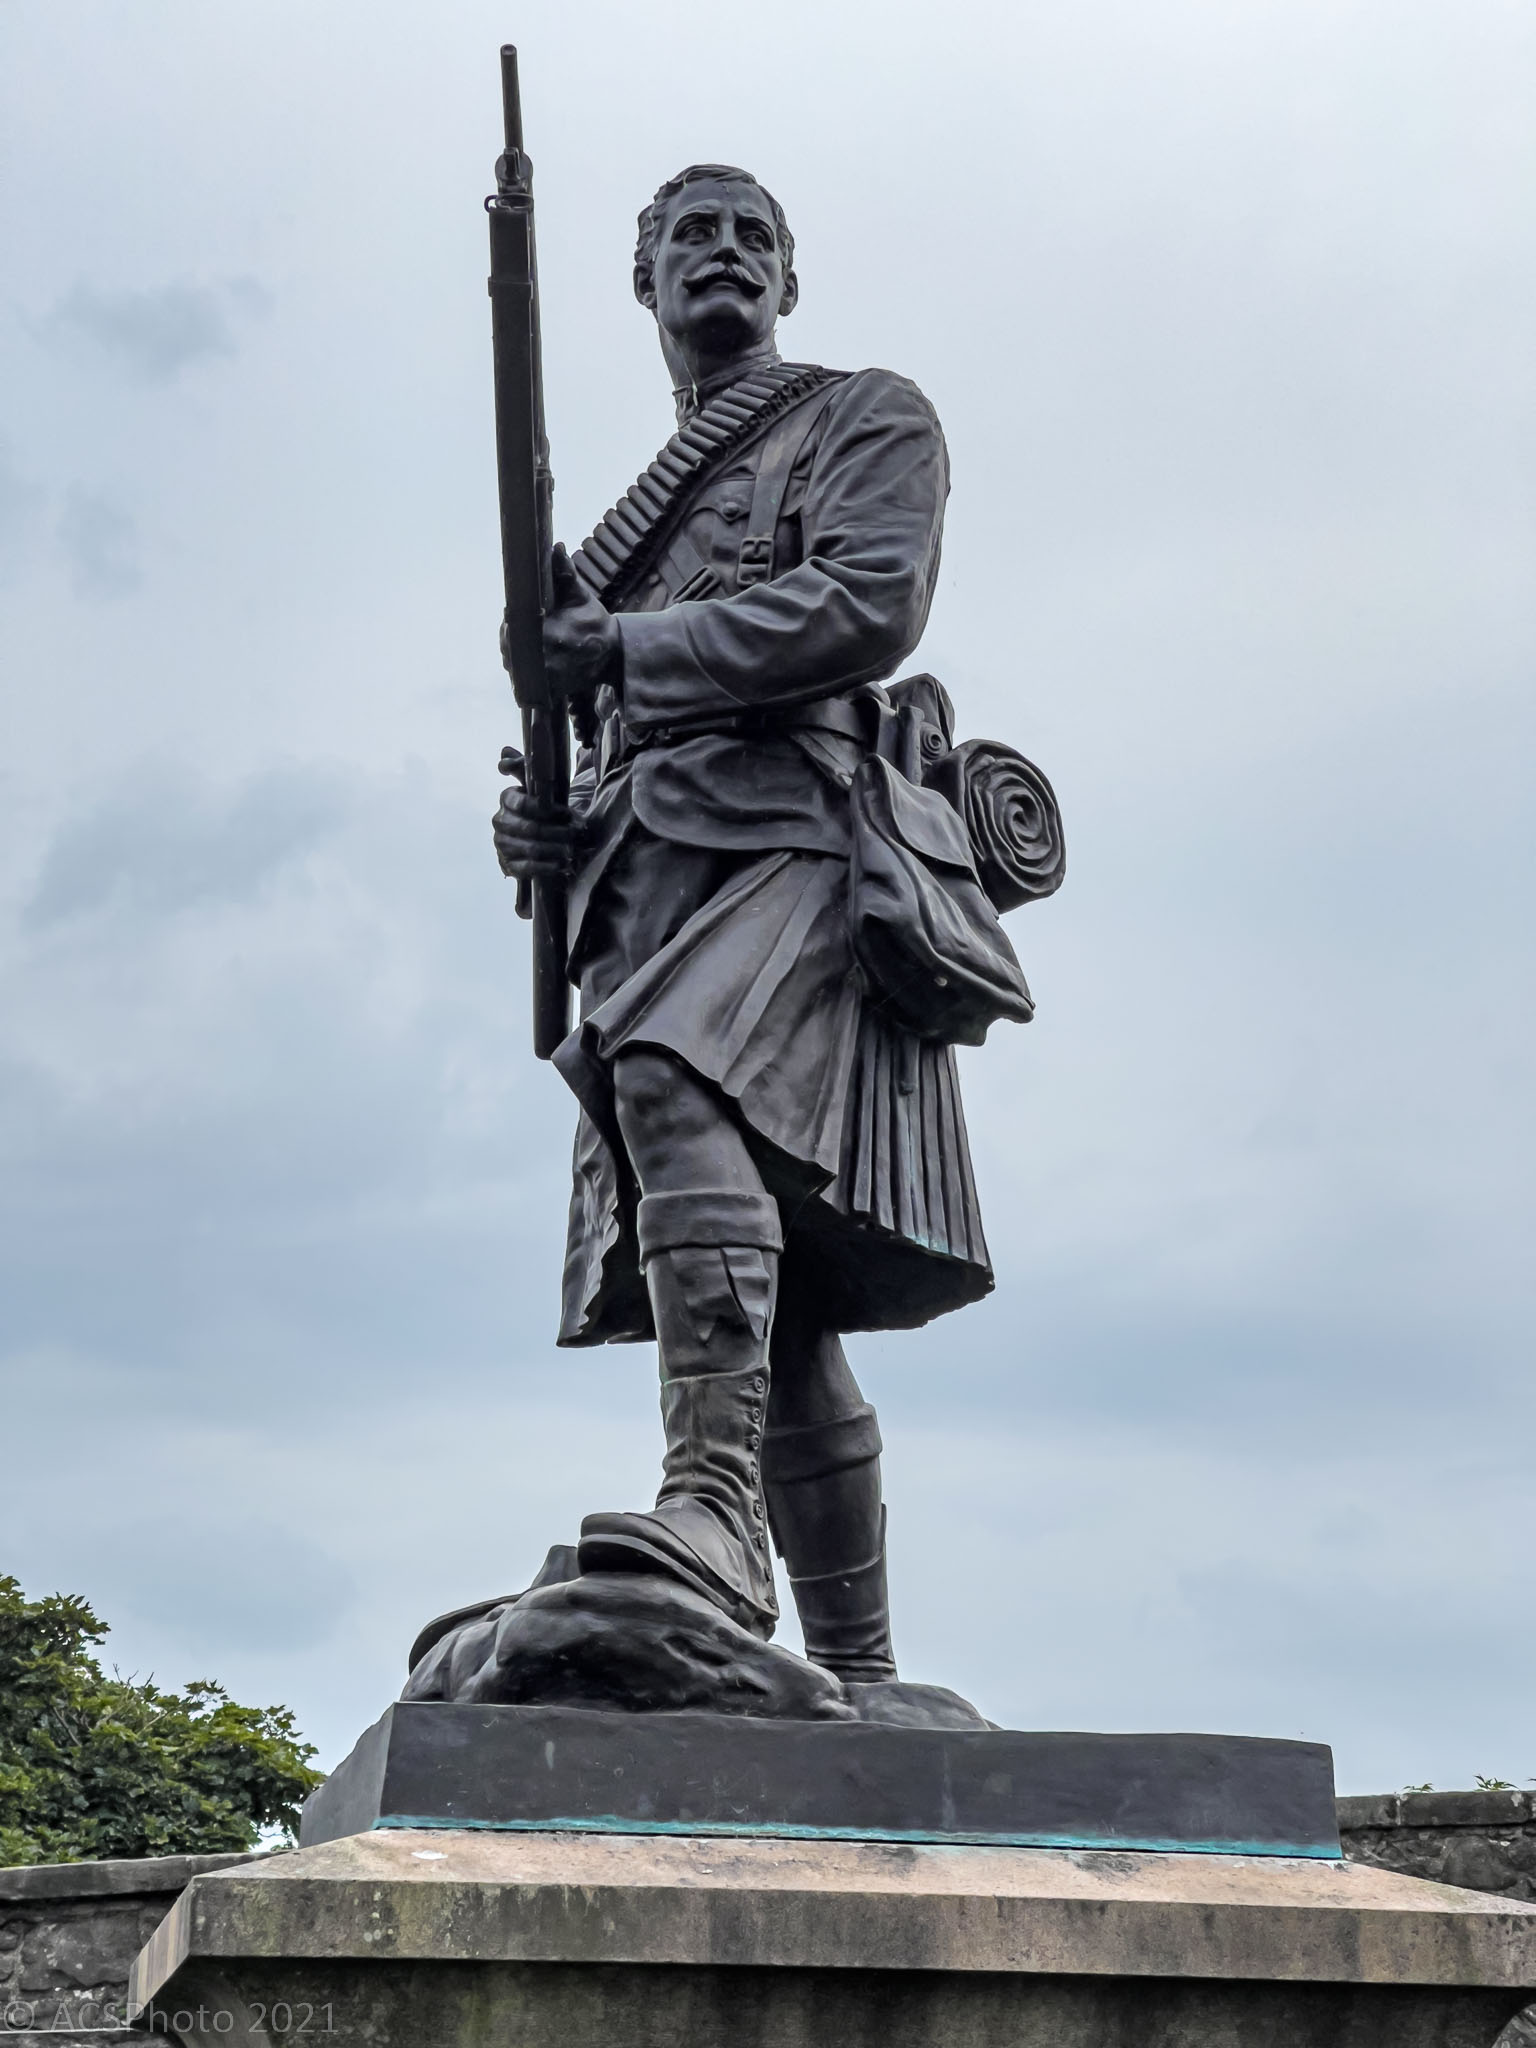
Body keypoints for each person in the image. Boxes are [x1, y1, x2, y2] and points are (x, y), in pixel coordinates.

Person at [492, 164, 1010, 1684]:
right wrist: (546, 830)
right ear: (644, 282)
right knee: (786, 1309)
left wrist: (623, 648)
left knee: (673, 1074)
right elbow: (595, 740)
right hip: (645, 879)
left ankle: (713, 1507)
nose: (722, 253)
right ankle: (860, 1672)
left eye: (751, 236)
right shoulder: (617, 537)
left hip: (795, 835)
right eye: (689, 235)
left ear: (788, 278)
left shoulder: (864, 415)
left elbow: (868, 603)